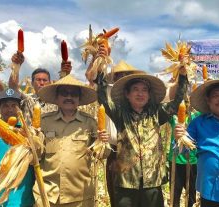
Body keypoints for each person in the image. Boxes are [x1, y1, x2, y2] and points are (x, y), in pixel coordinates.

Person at [95, 58, 188, 206]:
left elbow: (177, 102)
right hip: (126, 182)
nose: (140, 94)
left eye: (144, 90)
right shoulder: (119, 114)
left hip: (152, 181)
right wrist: (100, 68)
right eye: (136, 90)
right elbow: (102, 99)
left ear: (149, 95)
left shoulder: (157, 113)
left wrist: (183, 77)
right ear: (127, 94)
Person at [33, 74, 98, 207]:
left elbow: (102, 154)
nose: (69, 97)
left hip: (80, 195)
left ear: (79, 99)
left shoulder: (90, 123)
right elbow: (35, 156)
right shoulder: (43, 122)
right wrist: (33, 139)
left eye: (73, 94)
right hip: (48, 193)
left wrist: (103, 143)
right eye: (64, 93)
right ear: (57, 98)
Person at [104, 60, 145, 207]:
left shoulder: (138, 98)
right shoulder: (108, 93)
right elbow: (92, 77)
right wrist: (99, 58)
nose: (122, 78)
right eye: (118, 75)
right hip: (114, 151)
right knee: (117, 195)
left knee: (137, 195)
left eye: (126, 75)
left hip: (136, 151)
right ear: (113, 79)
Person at [0, 88, 35, 207]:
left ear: (20, 108)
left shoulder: (29, 133)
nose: (9, 109)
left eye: (14, 105)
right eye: (5, 105)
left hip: (23, 200)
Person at [167, 94, 199, 207]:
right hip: (175, 160)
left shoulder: (196, 116)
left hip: (192, 160)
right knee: (175, 194)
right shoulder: (173, 118)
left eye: (186, 101)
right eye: (182, 101)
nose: (184, 104)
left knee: (191, 194)